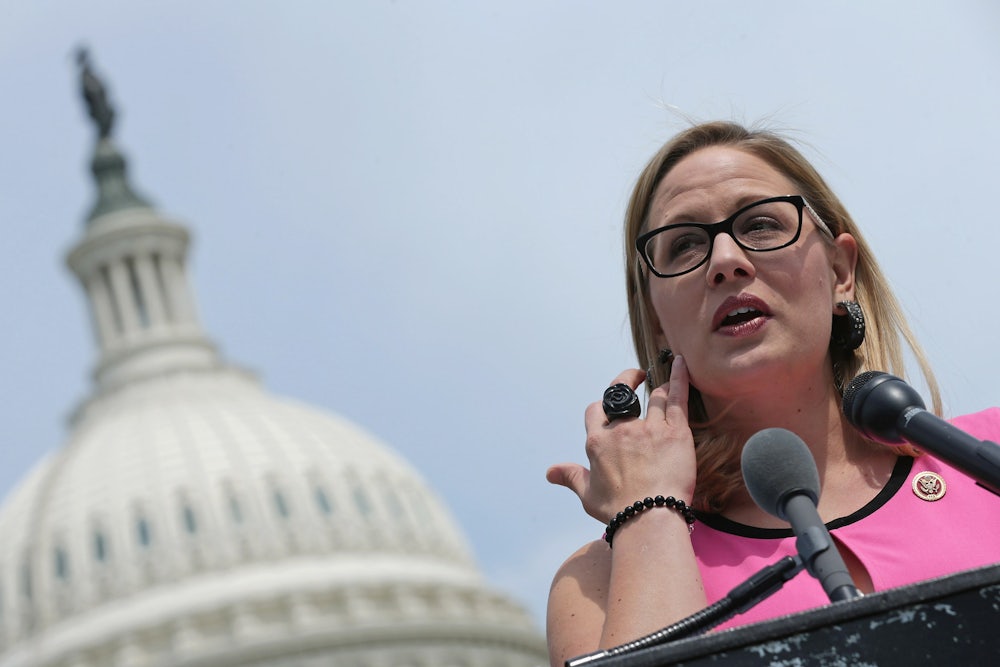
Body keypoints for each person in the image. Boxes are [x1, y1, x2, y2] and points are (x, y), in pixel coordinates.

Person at [545, 120, 1000, 666]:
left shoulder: (988, 458)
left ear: (840, 270)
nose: (724, 262)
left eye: (760, 225)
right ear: (656, 319)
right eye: (684, 244)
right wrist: (650, 513)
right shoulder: (599, 583)